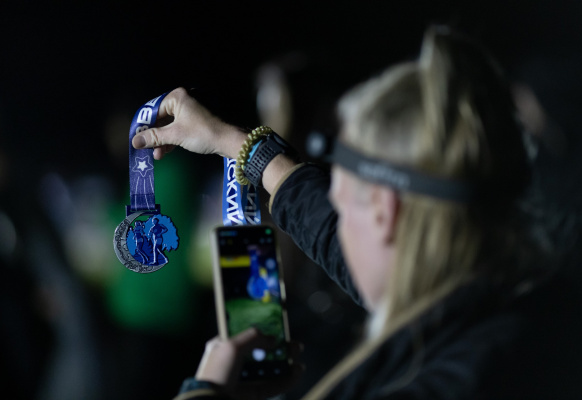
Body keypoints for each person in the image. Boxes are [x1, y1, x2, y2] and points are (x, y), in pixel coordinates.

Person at [132, 26, 544, 400]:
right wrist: (233, 142)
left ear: (383, 212)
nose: (333, 228)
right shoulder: (506, 310)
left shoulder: (434, 381)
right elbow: (323, 226)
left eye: (341, 206)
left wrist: (206, 391)